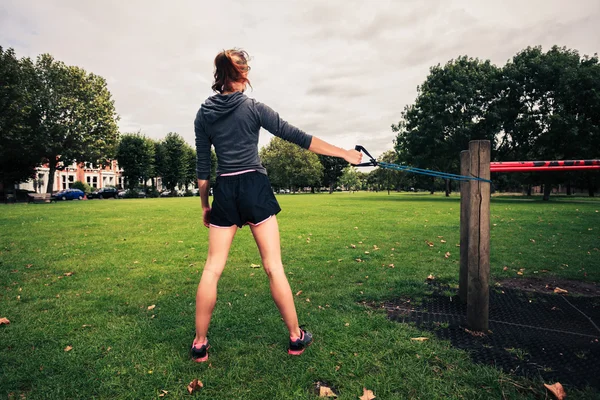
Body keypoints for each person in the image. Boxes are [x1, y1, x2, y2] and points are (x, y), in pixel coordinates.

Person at [192, 48, 362, 362]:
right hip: (254, 187)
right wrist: (346, 154)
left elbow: (203, 170)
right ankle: (296, 338)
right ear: (242, 75)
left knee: (212, 269)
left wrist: (206, 205)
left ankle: (200, 344)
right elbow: (299, 137)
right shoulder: (254, 108)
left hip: (225, 190)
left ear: (220, 77)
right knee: (273, 267)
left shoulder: (203, 114)